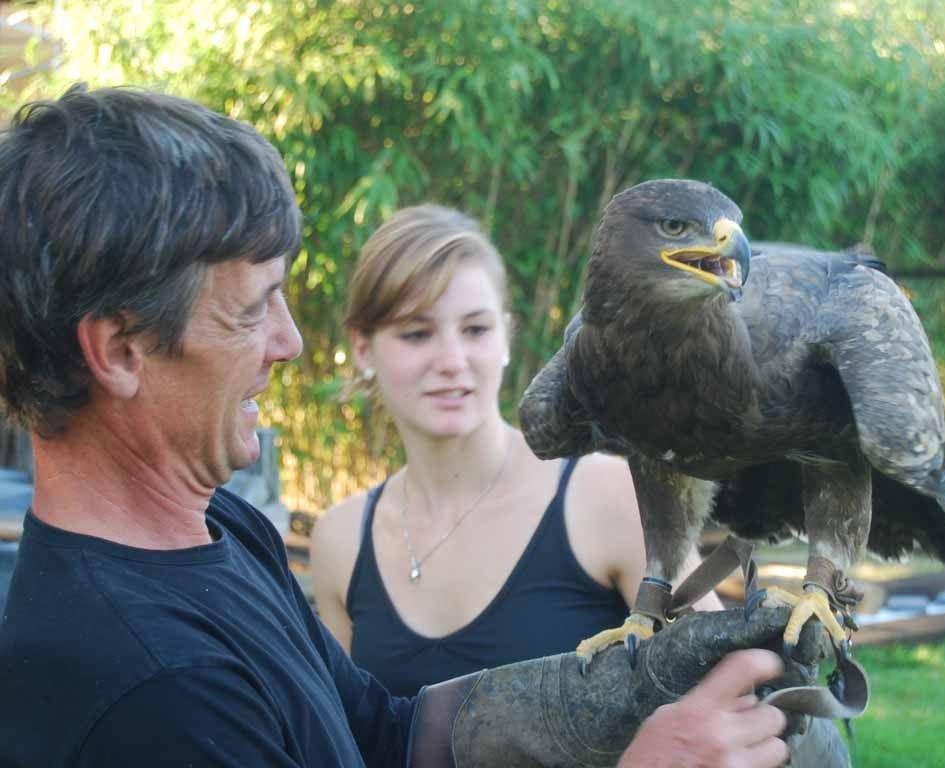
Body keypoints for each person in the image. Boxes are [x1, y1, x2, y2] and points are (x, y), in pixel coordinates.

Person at [0, 84, 837, 767]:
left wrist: (625, 689)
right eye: (252, 311)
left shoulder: (219, 529)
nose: (290, 343)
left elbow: (383, 736)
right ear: (120, 350)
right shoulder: (150, 687)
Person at [309, 204, 723, 697]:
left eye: (475, 329)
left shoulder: (609, 498)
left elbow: (730, 689)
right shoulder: (340, 542)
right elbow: (338, 730)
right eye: (416, 334)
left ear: (506, 335)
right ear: (362, 348)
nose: (452, 360)